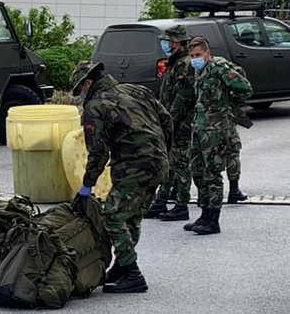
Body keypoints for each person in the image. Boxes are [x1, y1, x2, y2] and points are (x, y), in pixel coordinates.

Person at [70, 61, 167, 294]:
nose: (81, 94)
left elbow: (98, 152)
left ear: (88, 83)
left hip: (134, 167)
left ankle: (133, 273)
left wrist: (86, 187)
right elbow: (166, 120)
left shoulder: (96, 106)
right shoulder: (136, 90)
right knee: (131, 216)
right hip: (159, 162)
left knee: (112, 215)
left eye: (81, 88)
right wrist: (164, 153)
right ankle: (122, 267)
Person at [184, 37, 253, 236]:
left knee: (212, 173)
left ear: (207, 53)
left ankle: (213, 219)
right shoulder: (200, 70)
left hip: (216, 129)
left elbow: (245, 88)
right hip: (199, 128)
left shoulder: (219, 67)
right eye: (192, 56)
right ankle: (204, 214)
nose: (195, 59)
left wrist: (226, 105)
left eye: (198, 55)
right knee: (197, 170)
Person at [149, 25, 197, 222]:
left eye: (169, 42)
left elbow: (183, 97)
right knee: (169, 163)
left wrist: (169, 120)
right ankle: (161, 201)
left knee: (181, 164)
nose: (166, 45)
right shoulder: (174, 62)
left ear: (178, 43)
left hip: (182, 124)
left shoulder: (186, 64)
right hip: (171, 121)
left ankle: (181, 205)